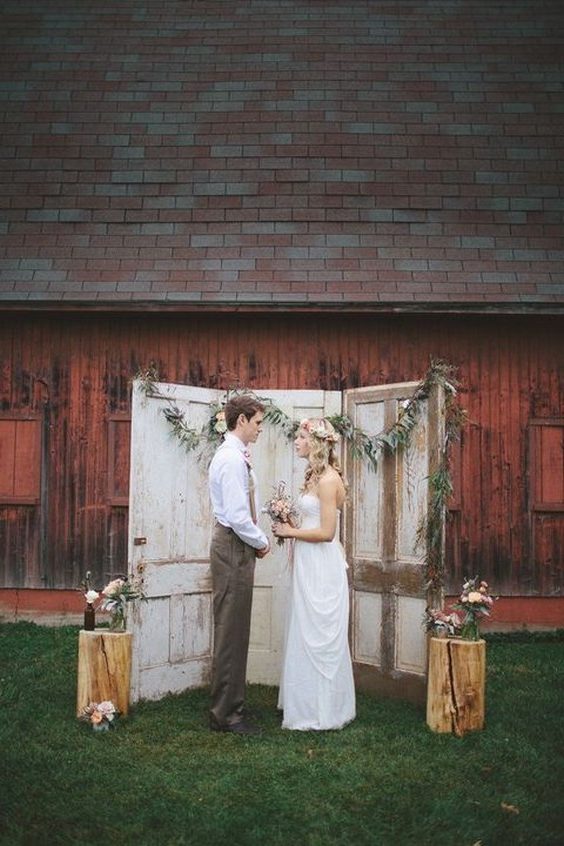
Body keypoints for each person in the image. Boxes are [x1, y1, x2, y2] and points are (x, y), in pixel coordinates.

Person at [273, 418, 356, 731]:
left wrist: (290, 531)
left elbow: (325, 532)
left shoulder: (328, 480)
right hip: (308, 563)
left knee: (319, 632)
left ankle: (323, 710)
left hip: (322, 565)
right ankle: (303, 704)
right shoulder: (312, 476)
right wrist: (287, 518)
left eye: (301, 436)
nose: (296, 441)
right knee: (303, 627)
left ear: (316, 443)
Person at [208, 394, 270, 736]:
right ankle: (226, 715)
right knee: (231, 630)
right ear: (241, 420)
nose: (260, 429)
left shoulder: (235, 455)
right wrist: (261, 541)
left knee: (235, 627)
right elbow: (236, 516)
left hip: (235, 545)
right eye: (258, 422)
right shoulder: (231, 459)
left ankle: (230, 706)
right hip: (234, 545)